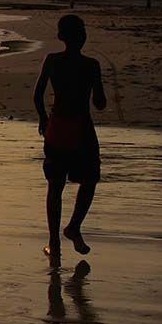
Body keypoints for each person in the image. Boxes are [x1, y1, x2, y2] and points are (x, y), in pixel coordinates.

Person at [33, 14, 107, 261]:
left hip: (57, 126)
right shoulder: (92, 65)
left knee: (55, 186)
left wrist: (43, 118)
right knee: (90, 179)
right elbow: (99, 104)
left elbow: (38, 95)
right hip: (82, 128)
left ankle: (54, 241)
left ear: (60, 37)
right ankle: (73, 227)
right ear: (82, 37)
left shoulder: (52, 61)